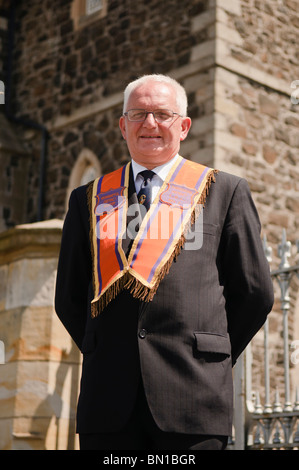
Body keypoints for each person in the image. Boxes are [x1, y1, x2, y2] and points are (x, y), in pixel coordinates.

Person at [55, 74, 274, 450]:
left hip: (194, 399)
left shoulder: (225, 191)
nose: (150, 124)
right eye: (138, 114)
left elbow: (254, 293)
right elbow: (70, 298)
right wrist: (105, 348)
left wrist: (210, 356)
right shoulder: (88, 199)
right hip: (108, 402)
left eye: (162, 114)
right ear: (123, 126)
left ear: (184, 126)